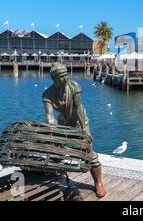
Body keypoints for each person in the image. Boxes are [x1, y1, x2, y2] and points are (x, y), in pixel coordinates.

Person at [42, 63, 106, 198]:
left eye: (66, 75)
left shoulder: (74, 86)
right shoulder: (47, 94)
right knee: (56, 152)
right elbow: (49, 115)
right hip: (63, 123)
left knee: (88, 151)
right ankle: (57, 179)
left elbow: (79, 107)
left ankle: (98, 183)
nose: (65, 78)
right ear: (53, 79)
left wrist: (85, 130)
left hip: (79, 121)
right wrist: (52, 127)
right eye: (61, 77)